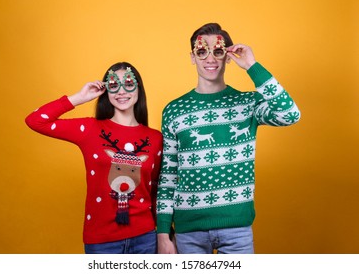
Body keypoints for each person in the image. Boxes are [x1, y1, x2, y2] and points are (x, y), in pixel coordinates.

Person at [156, 23, 301, 254]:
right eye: (202, 52)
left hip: (237, 230)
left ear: (229, 56)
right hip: (188, 231)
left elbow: (290, 114)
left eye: (218, 51)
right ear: (192, 57)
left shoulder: (248, 104)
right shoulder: (175, 110)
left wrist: (252, 66)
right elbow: (168, 176)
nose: (210, 58)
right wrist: (163, 233)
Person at [25, 62, 163, 254]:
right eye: (114, 85)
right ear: (106, 90)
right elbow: (36, 120)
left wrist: (164, 234)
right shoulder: (90, 130)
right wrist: (80, 98)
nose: (121, 91)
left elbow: (155, 189)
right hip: (102, 240)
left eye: (129, 83)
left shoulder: (155, 139)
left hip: (145, 238)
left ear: (139, 88)